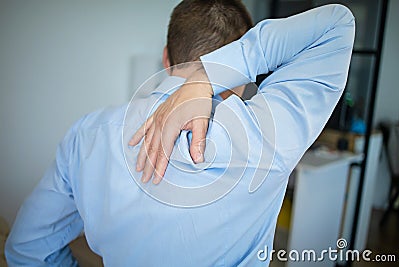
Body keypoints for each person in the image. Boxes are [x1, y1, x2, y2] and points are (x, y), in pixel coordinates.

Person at [5, 1, 355, 266]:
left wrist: (201, 77)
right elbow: (335, 25)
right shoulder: (266, 137)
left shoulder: (89, 133)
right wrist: (212, 75)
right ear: (247, 74)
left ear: (165, 58)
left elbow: (26, 247)